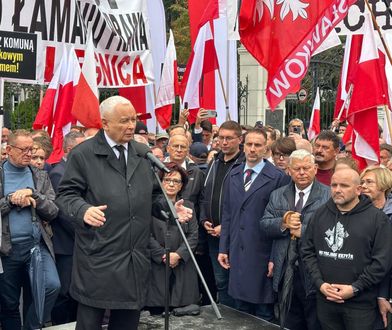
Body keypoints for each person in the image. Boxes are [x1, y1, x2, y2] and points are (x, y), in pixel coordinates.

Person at [55, 96, 192, 330]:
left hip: (134, 256)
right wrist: (83, 210)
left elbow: (153, 196)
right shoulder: (84, 154)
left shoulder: (141, 152)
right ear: (105, 123)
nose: (131, 126)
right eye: (124, 121)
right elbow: (65, 195)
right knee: (91, 320)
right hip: (99, 254)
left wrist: (169, 208)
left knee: (128, 320)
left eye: (133, 119)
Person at [301, 168, 392, 330]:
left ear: (358, 190)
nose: (337, 190)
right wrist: (320, 284)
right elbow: (308, 252)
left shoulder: (377, 219)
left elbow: (382, 262)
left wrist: (355, 288)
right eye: (334, 185)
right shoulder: (320, 214)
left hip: (360, 306)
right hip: (325, 301)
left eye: (344, 185)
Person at [218, 129, 290, 321]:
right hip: (237, 251)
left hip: (262, 253)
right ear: (243, 145)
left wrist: (275, 257)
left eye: (257, 145)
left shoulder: (277, 177)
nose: (252, 149)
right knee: (240, 311)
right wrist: (223, 247)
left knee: (263, 313)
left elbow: (280, 221)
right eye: (249, 144)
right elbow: (227, 214)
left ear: (266, 147)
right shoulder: (234, 173)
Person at [261, 149, 330, 329]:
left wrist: (303, 231)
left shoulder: (328, 196)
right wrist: (283, 223)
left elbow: (332, 232)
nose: (301, 173)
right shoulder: (278, 194)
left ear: (315, 169)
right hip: (286, 269)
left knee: (315, 322)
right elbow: (264, 225)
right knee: (290, 321)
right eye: (297, 168)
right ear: (288, 170)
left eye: (306, 168)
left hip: (316, 271)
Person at [0, 129, 60, 330]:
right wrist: (10, 200)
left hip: (36, 246)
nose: (28, 154)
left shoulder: (40, 176)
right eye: (24, 149)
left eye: (31, 149)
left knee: (51, 286)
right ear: (8, 149)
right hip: (6, 250)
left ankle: (32, 327)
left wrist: (34, 196)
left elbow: (53, 210)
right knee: (9, 303)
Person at [200, 120, 245, 308]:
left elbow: (243, 204)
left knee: (237, 281)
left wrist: (225, 226)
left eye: (229, 138)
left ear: (239, 139)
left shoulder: (244, 165)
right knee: (221, 281)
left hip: (235, 235)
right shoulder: (214, 162)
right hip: (213, 236)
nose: (224, 142)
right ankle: (227, 316)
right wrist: (203, 220)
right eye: (221, 138)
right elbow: (204, 195)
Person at [146, 163, 199, 312]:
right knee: (156, 313)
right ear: (161, 182)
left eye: (176, 181)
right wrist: (163, 255)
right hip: (157, 264)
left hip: (182, 264)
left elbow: (193, 235)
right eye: (167, 179)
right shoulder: (150, 206)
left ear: (182, 185)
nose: (171, 184)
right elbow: (146, 235)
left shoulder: (188, 206)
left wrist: (178, 255)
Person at [49, 131, 85, 325]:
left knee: (76, 292)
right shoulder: (58, 173)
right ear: (71, 149)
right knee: (64, 293)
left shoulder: (74, 170)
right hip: (66, 245)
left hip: (77, 243)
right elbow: (63, 213)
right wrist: (86, 231)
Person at [360, 166, 392, 329]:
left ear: (384, 184)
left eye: (369, 182)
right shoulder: (356, 212)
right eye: (362, 182)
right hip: (360, 288)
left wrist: (383, 295)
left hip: (384, 286)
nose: (363, 185)